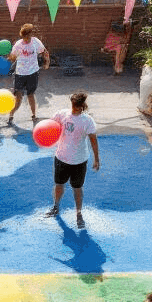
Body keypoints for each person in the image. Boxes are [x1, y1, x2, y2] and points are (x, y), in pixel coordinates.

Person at [46, 92, 100, 228]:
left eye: (77, 105)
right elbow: (50, 125)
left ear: (82, 105)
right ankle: (56, 206)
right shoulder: (61, 114)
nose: (74, 107)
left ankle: (79, 214)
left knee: (77, 188)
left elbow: (93, 140)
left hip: (79, 161)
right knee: (59, 184)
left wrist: (96, 159)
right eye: (73, 104)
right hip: (61, 158)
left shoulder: (87, 121)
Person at [7, 23, 49, 125]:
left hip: (33, 73)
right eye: (23, 37)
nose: (25, 39)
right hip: (20, 74)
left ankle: (34, 115)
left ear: (30, 34)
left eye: (27, 36)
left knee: (31, 95)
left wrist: (47, 62)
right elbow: (13, 57)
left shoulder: (36, 42)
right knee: (18, 97)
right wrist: (10, 57)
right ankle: (11, 115)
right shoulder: (18, 44)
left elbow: (44, 52)